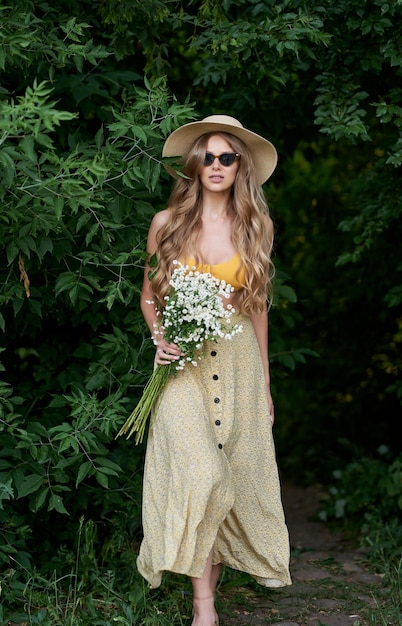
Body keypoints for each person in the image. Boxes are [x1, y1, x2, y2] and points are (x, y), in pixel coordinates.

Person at [137, 115, 291, 626]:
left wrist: (265, 383)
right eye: (209, 156)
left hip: (241, 362)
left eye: (228, 157)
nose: (218, 165)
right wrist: (160, 340)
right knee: (203, 474)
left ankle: (207, 609)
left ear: (240, 165)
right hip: (185, 365)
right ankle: (204, 605)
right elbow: (149, 297)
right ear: (195, 165)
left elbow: (259, 309)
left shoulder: (256, 226)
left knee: (233, 477)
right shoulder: (167, 224)